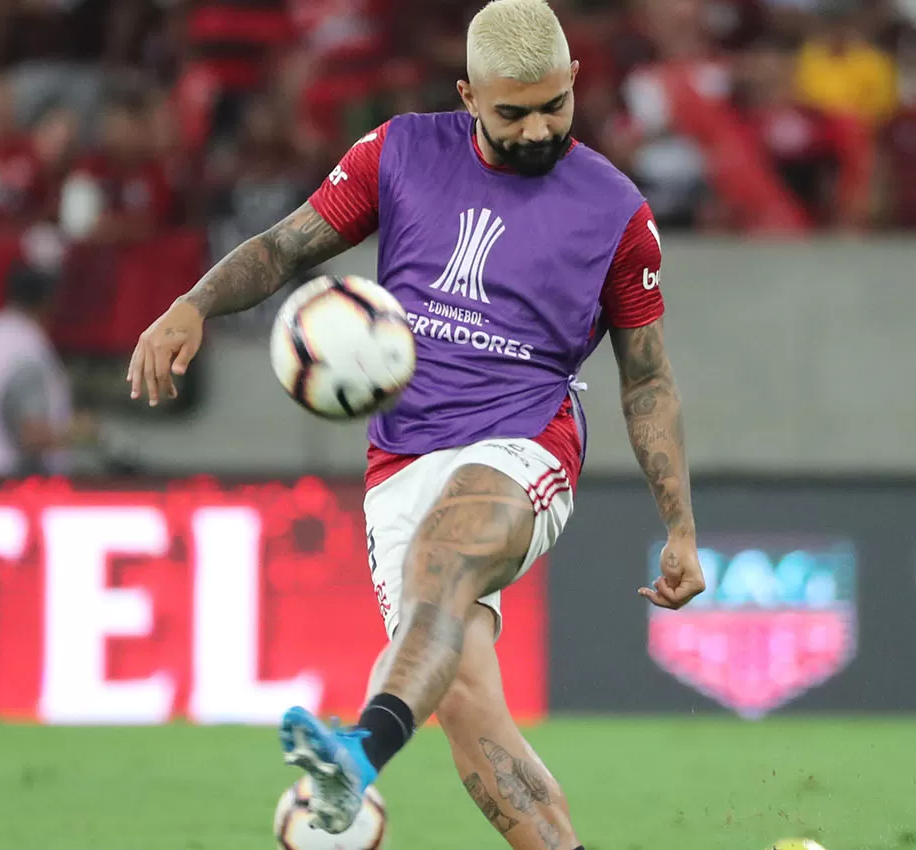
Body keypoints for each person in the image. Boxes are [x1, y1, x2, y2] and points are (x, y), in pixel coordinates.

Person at [126, 1, 706, 847]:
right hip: (401, 460)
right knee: (468, 703)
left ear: (577, 80)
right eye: (514, 112)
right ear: (468, 94)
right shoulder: (398, 154)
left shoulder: (615, 212)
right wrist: (193, 303)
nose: (539, 126)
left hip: (524, 439)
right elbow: (287, 247)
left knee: (444, 557)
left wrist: (681, 527)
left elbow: (647, 380)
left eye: (555, 104)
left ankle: (356, 755)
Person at [0, 262, 97, 477]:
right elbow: (30, 434)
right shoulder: (25, 347)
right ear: (48, 301)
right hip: (5, 486)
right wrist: (80, 431)